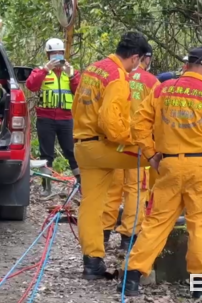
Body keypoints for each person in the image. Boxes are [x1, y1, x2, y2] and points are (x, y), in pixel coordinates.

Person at [119, 46, 202, 298]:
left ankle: (130, 278)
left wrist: (153, 155)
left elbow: (139, 124)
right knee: (201, 228)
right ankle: (200, 288)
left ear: (186, 65)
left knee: (155, 223)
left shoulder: (162, 89)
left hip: (169, 166)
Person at [72, 31, 151, 280]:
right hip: (102, 147)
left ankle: (92, 262)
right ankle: (154, 223)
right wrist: (136, 140)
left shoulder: (94, 68)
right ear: (136, 58)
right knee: (159, 159)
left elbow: (76, 105)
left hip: (82, 146)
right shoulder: (118, 77)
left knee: (91, 204)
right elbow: (111, 124)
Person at [102, 44, 159, 250]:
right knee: (136, 191)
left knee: (112, 189)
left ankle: (103, 234)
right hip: (138, 146)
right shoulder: (152, 82)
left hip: (115, 143)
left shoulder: (117, 75)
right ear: (145, 58)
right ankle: (129, 237)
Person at [25, 38, 81, 197]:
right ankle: (46, 187)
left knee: (72, 152)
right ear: (47, 55)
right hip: (45, 118)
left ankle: (81, 185)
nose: (56, 56)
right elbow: (31, 85)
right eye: (52, 54)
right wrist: (45, 70)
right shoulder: (41, 71)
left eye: (59, 53)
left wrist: (71, 76)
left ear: (63, 54)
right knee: (46, 154)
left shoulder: (70, 71)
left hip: (66, 119)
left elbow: (80, 91)